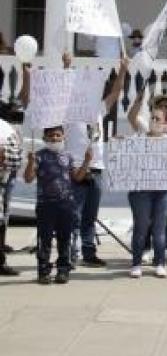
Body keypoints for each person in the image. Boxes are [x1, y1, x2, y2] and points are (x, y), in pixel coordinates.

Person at [62, 54, 128, 268]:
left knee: (90, 216)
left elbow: (116, 92)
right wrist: (67, 67)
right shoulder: (69, 111)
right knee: (74, 216)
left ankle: (89, 252)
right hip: (76, 170)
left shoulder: (99, 109)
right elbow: (62, 90)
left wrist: (123, 69)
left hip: (97, 169)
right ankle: (70, 253)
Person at [24, 126, 92, 284]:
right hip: (45, 205)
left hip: (66, 205)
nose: (54, 138)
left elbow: (78, 178)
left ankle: (63, 270)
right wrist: (30, 162)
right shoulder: (39, 156)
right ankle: (43, 271)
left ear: (63, 137)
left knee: (65, 239)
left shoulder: (68, 156)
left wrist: (87, 161)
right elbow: (28, 178)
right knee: (45, 239)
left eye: (57, 135)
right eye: (50, 135)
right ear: (44, 138)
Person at [129, 92, 167, 264]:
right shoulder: (146, 128)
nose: (163, 108)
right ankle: (145, 249)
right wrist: (138, 101)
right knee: (144, 219)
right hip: (145, 185)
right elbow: (132, 117)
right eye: (160, 105)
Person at [0, 117, 22, 276]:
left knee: (2, 218)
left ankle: (0, 259)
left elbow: (16, 151)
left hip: (6, 176)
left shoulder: (6, 126)